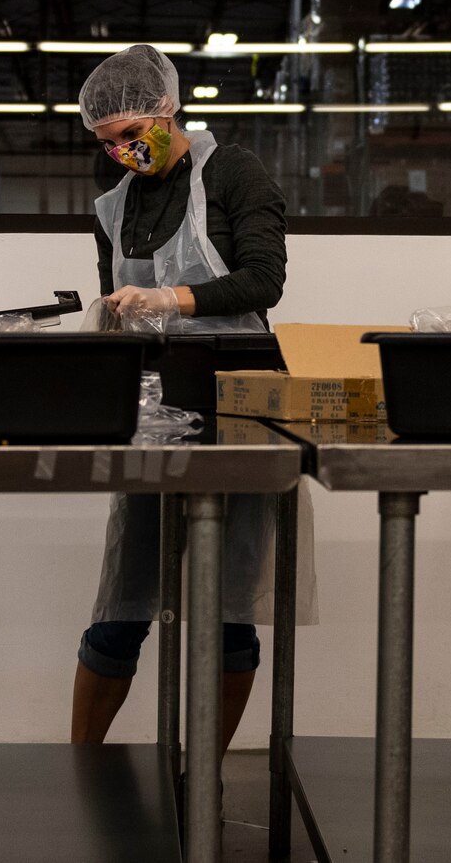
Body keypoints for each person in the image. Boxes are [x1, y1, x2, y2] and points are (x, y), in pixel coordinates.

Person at [68, 45, 294, 748]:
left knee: (227, 607)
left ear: (167, 108)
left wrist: (174, 296)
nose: (121, 151)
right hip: (153, 410)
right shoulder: (115, 203)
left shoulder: (232, 172)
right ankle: (81, 767)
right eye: (107, 143)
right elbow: (118, 301)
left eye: (132, 134)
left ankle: (205, 775)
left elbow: (263, 280)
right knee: (123, 600)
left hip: (241, 404)